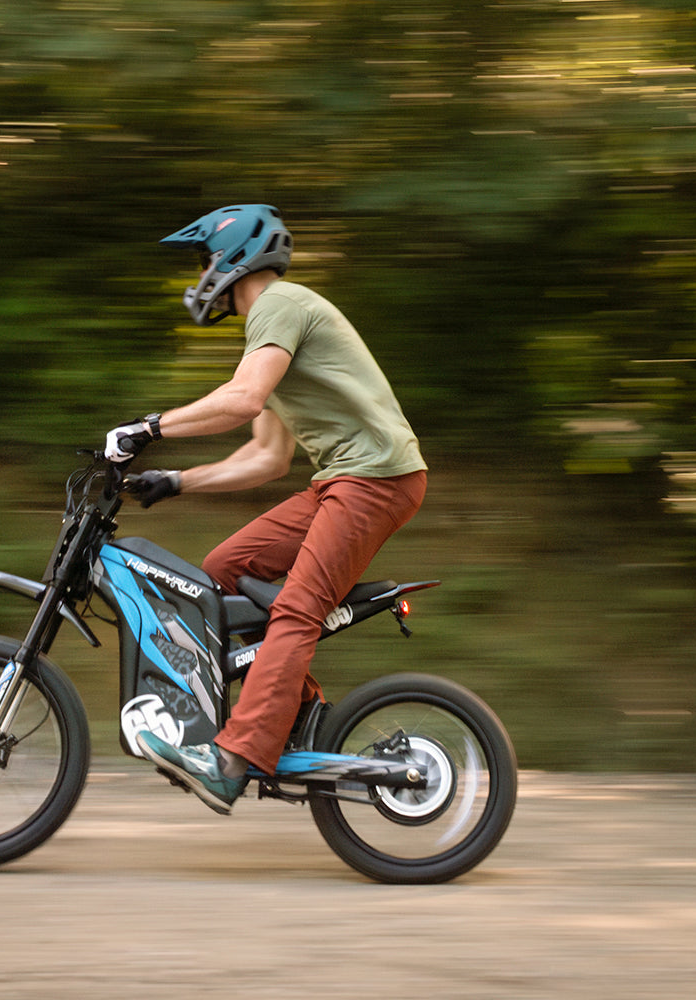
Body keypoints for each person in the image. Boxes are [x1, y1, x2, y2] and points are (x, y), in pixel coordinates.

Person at [103, 204, 427, 816]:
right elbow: (267, 457)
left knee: (298, 610)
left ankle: (232, 761)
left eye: (204, 260)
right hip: (343, 482)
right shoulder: (272, 331)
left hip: (374, 479)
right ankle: (297, 718)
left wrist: (149, 427)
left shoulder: (280, 305)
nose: (201, 274)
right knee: (221, 570)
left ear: (232, 256)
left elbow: (243, 398)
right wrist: (175, 481)